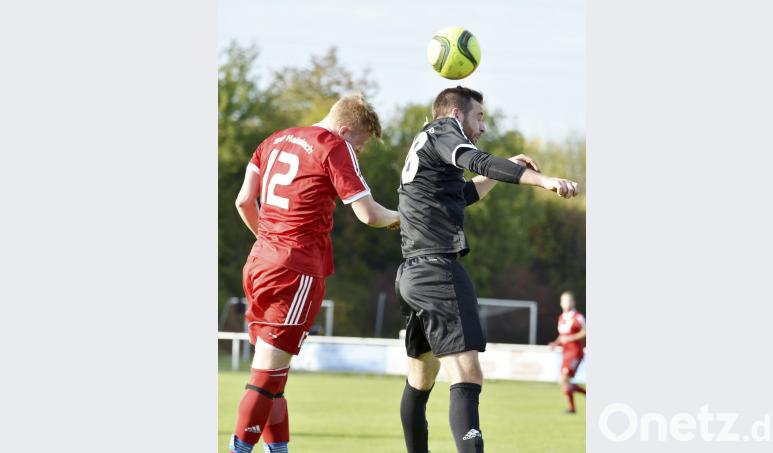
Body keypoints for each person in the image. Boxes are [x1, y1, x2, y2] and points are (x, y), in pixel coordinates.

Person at [396, 86, 580, 453]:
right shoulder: (444, 132)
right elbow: (477, 160)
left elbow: (462, 195)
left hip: (412, 273)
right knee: (467, 376)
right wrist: (542, 181)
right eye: (479, 117)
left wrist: (508, 167)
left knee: (420, 379)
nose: (482, 127)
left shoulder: (426, 143)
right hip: (437, 271)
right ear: (455, 115)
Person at [229, 94, 400, 453]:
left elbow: (244, 200)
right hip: (295, 271)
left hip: (259, 263)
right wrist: (407, 217)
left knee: (274, 377)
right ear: (345, 129)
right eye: (361, 143)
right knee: (265, 377)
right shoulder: (334, 145)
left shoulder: (275, 139)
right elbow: (369, 215)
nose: (359, 152)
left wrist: (270, 239)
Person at [548, 291, 587, 414]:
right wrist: (555, 343)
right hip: (566, 353)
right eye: (564, 301)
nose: (566, 303)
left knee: (564, 378)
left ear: (573, 302)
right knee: (564, 381)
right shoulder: (561, 318)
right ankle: (572, 408)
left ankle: (573, 407)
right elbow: (562, 335)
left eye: (569, 301)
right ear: (561, 303)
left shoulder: (578, 316)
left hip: (575, 352)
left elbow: (585, 332)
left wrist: (570, 338)